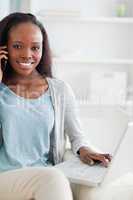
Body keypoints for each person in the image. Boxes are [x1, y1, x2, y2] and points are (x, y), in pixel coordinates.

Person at [0, 12, 111, 200]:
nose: (27, 55)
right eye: (18, 46)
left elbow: (77, 136)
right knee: (52, 178)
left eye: (35, 47)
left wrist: (86, 149)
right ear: (4, 48)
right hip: (5, 178)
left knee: (52, 177)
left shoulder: (59, 90)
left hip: (44, 178)